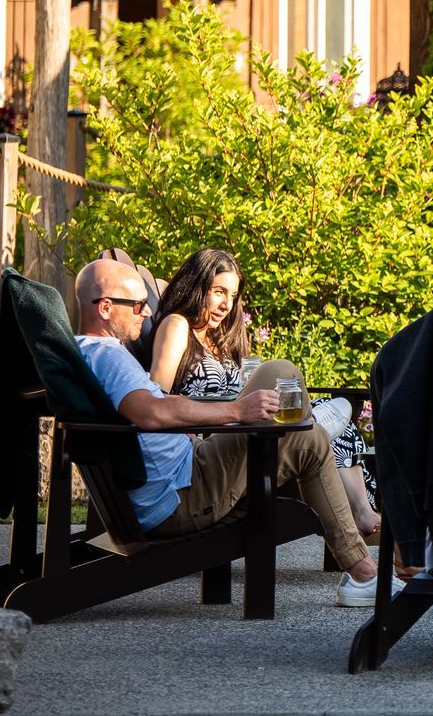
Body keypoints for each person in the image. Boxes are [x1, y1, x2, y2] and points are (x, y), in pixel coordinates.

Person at [70, 257, 388, 607]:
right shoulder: (107, 356)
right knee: (282, 375)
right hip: (182, 495)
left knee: (309, 441)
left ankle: (363, 573)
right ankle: (313, 425)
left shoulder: (94, 354)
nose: (147, 314)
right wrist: (236, 410)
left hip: (188, 470)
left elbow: (151, 409)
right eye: (138, 305)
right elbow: (150, 412)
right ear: (104, 307)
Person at [147, 248, 380, 542]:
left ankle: (361, 511)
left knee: (334, 425)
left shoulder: (220, 337)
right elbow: (156, 396)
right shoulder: (177, 326)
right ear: (197, 286)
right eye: (218, 292)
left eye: (232, 296)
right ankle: (313, 426)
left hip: (245, 424)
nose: (226, 305)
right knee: (287, 380)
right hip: (218, 435)